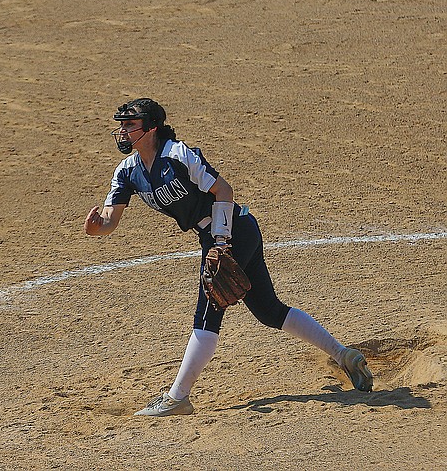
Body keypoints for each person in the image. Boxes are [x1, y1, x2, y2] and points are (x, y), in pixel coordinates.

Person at [84, 98, 373, 417]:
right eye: (121, 125)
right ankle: (344, 355)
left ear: (151, 127)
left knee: (207, 316)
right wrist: (97, 228)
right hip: (223, 235)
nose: (122, 131)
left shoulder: (179, 155)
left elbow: (224, 191)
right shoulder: (127, 172)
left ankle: (177, 398)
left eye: (129, 125)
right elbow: (110, 221)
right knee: (269, 310)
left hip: (232, 231)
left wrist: (220, 242)